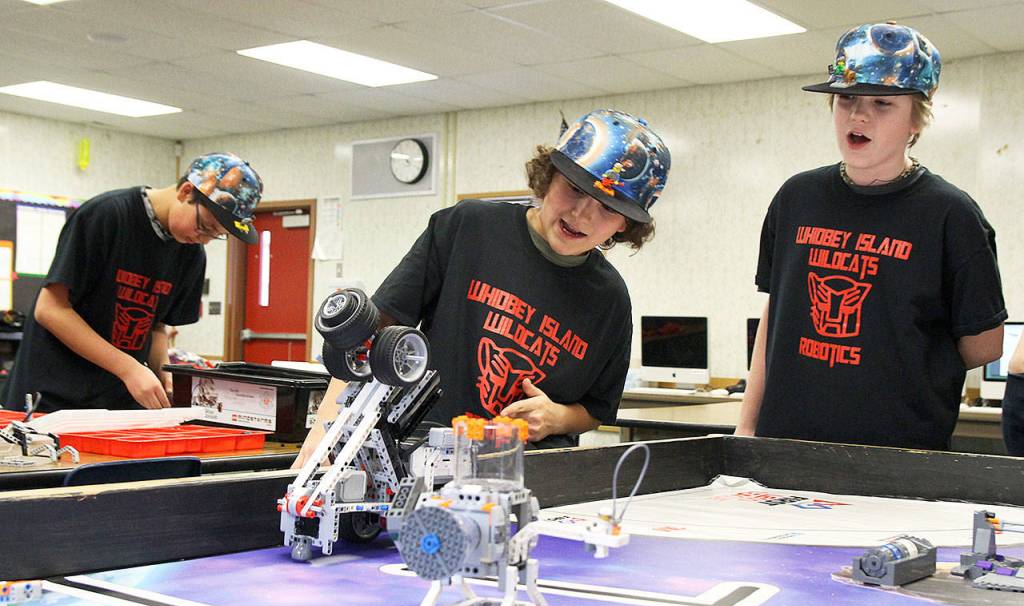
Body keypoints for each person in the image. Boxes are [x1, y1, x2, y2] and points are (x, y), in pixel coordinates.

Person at [294, 109, 671, 466]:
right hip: (422, 454)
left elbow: (595, 409)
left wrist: (557, 417)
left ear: (624, 225)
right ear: (549, 177)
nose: (581, 214)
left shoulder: (611, 300)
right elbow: (368, 337)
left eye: (607, 208)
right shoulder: (467, 228)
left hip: (529, 470)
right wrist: (327, 435)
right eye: (573, 189)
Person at [737, 22, 1006, 451]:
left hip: (897, 451)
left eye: (882, 103)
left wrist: (898, 357)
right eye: (846, 99)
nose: (859, 115)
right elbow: (777, 317)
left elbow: (984, 345)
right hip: (785, 444)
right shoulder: (796, 197)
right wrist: (747, 428)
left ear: (916, 121)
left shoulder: (951, 215)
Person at [2, 152, 262, 412]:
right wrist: (129, 368)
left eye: (217, 235)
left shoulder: (191, 253)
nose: (204, 239)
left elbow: (156, 324)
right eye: (205, 226)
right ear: (185, 192)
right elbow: (51, 309)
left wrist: (164, 374)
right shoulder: (107, 215)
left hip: (115, 402)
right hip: (51, 395)